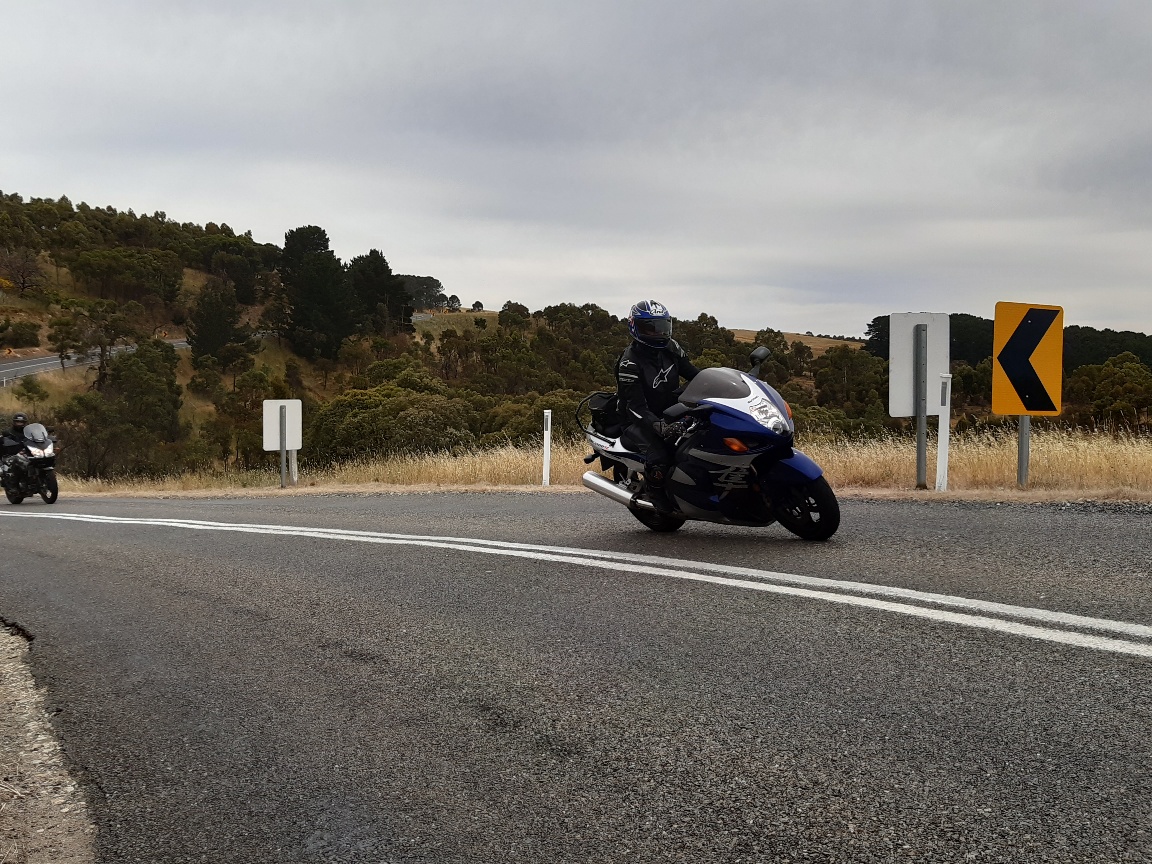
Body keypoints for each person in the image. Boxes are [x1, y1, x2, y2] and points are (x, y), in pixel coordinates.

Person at [615, 301, 700, 512]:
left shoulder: (672, 348)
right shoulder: (629, 363)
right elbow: (635, 408)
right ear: (635, 327)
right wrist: (659, 426)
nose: (657, 333)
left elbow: (696, 376)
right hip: (637, 420)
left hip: (671, 413)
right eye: (650, 328)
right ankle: (657, 497)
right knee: (660, 456)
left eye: (661, 327)